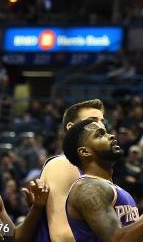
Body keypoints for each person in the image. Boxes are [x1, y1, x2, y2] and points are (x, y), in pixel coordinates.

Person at [36, 99, 106, 242]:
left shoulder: (96, 173)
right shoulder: (63, 164)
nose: (101, 126)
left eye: (102, 121)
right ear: (71, 127)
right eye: (92, 120)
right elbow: (61, 236)